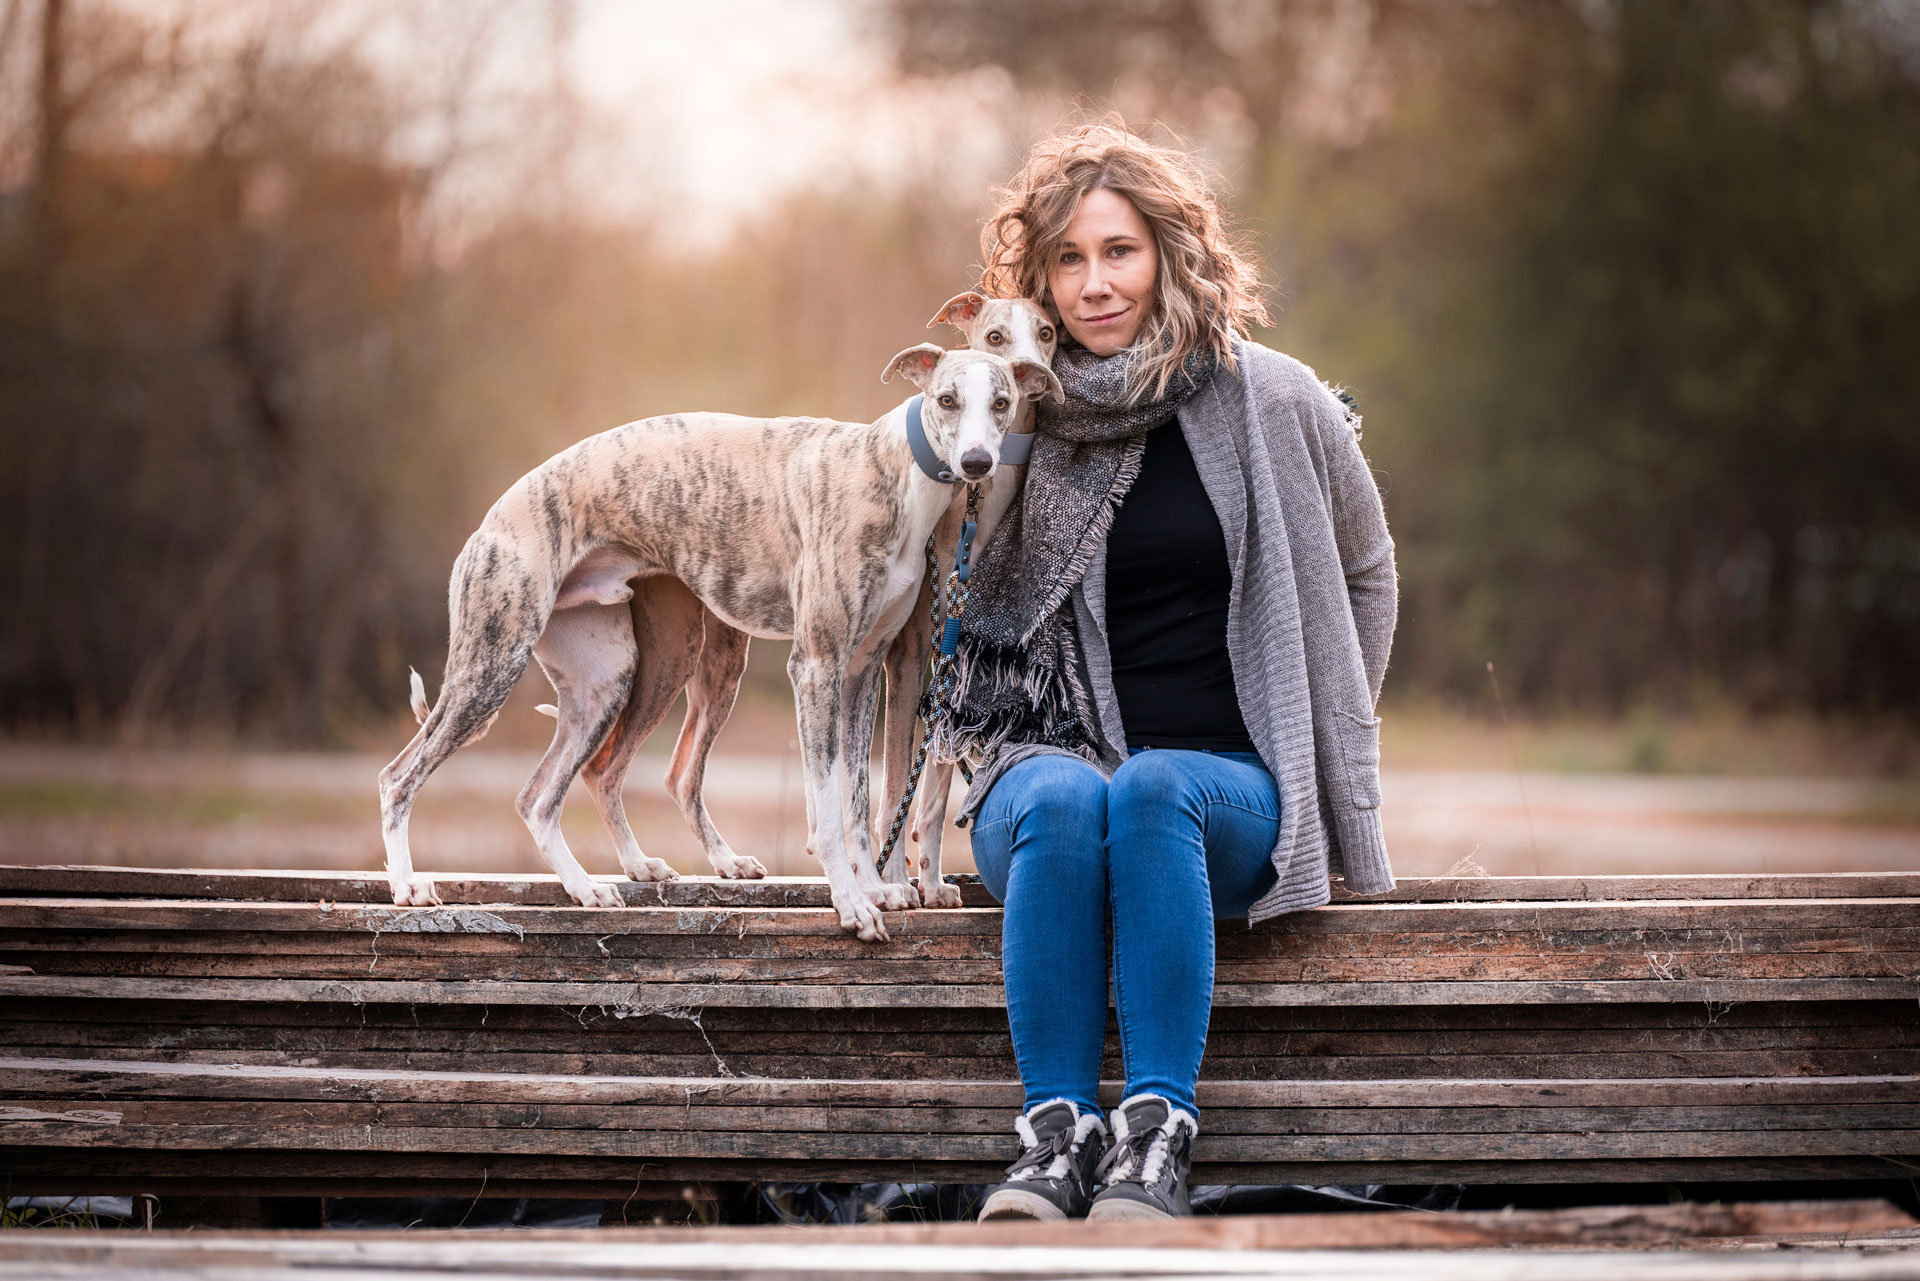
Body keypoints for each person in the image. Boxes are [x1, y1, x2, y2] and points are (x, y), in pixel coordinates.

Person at [942, 120, 1399, 1223]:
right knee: (1067, 789)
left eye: (1120, 251)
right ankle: (1053, 1145)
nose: (1095, 283)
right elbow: (941, 599)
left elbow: (1371, 570)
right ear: (1038, 277)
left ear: (1172, 254)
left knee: (1152, 789)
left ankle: (1154, 1143)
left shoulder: (1276, 399)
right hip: (1045, 765)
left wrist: (1330, 716)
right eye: (1069, 259)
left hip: (1228, 794)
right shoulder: (1012, 416)